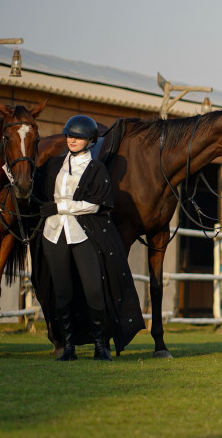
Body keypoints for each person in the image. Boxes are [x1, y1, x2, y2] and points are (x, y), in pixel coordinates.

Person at [32, 115, 142, 361]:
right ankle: (68, 346)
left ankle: (101, 345)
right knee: (62, 292)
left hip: (84, 234)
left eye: (78, 136)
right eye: (70, 135)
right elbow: (31, 184)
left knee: (94, 289)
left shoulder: (96, 169)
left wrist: (60, 207)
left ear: (90, 141)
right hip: (54, 234)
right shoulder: (53, 165)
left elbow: (95, 205)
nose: (72, 139)